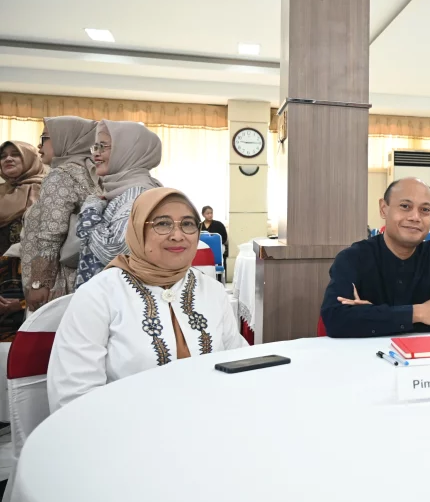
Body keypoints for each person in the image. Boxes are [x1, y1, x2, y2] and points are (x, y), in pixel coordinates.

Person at [47, 188, 249, 412]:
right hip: (128, 434)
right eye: (163, 224)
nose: (177, 235)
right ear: (137, 229)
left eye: (188, 224)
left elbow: (240, 362)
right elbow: (74, 395)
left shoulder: (212, 290)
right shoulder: (99, 294)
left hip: (211, 423)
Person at [320, 177, 430, 337]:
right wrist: (419, 313)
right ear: (384, 209)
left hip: (428, 359)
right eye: (405, 206)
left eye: (425, 210)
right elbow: (336, 320)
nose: (415, 217)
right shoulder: (353, 258)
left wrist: (373, 317)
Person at [21, 116, 101, 310]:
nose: (39, 146)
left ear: (67, 139)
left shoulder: (62, 174)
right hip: (82, 277)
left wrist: (39, 283)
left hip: (57, 283)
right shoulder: (91, 172)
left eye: (44, 138)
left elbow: (50, 235)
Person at [76, 121, 162, 286]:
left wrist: (90, 211)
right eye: (95, 147)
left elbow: (112, 251)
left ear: (129, 150)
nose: (96, 155)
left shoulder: (137, 194)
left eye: (103, 147)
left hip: (118, 299)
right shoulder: (120, 190)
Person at [0, 141, 46, 339]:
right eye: (3, 156)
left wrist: (22, 302)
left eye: (15, 154)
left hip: (32, 282)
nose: (8, 159)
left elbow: (49, 245)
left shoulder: (47, 190)